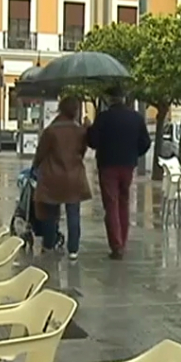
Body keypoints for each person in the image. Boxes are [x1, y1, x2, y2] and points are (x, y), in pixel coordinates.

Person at [87, 87, 151, 260]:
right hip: (128, 165)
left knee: (111, 204)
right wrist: (133, 154)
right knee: (124, 202)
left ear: (109, 99)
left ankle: (116, 245)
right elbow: (145, 142)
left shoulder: (104, 118)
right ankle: (123, 240)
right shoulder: (136, 118)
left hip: (108, 165)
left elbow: (92, 142)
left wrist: (89, 128)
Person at [32, 96, 91, 259]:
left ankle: (49, 243)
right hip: (74, 177)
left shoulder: (51, 131)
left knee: (50, 213)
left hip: (53, 176)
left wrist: (35, 167)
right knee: (73, 213)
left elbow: (41, 153)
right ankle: (73, 249)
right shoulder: (80, 131)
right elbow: (82, 152)